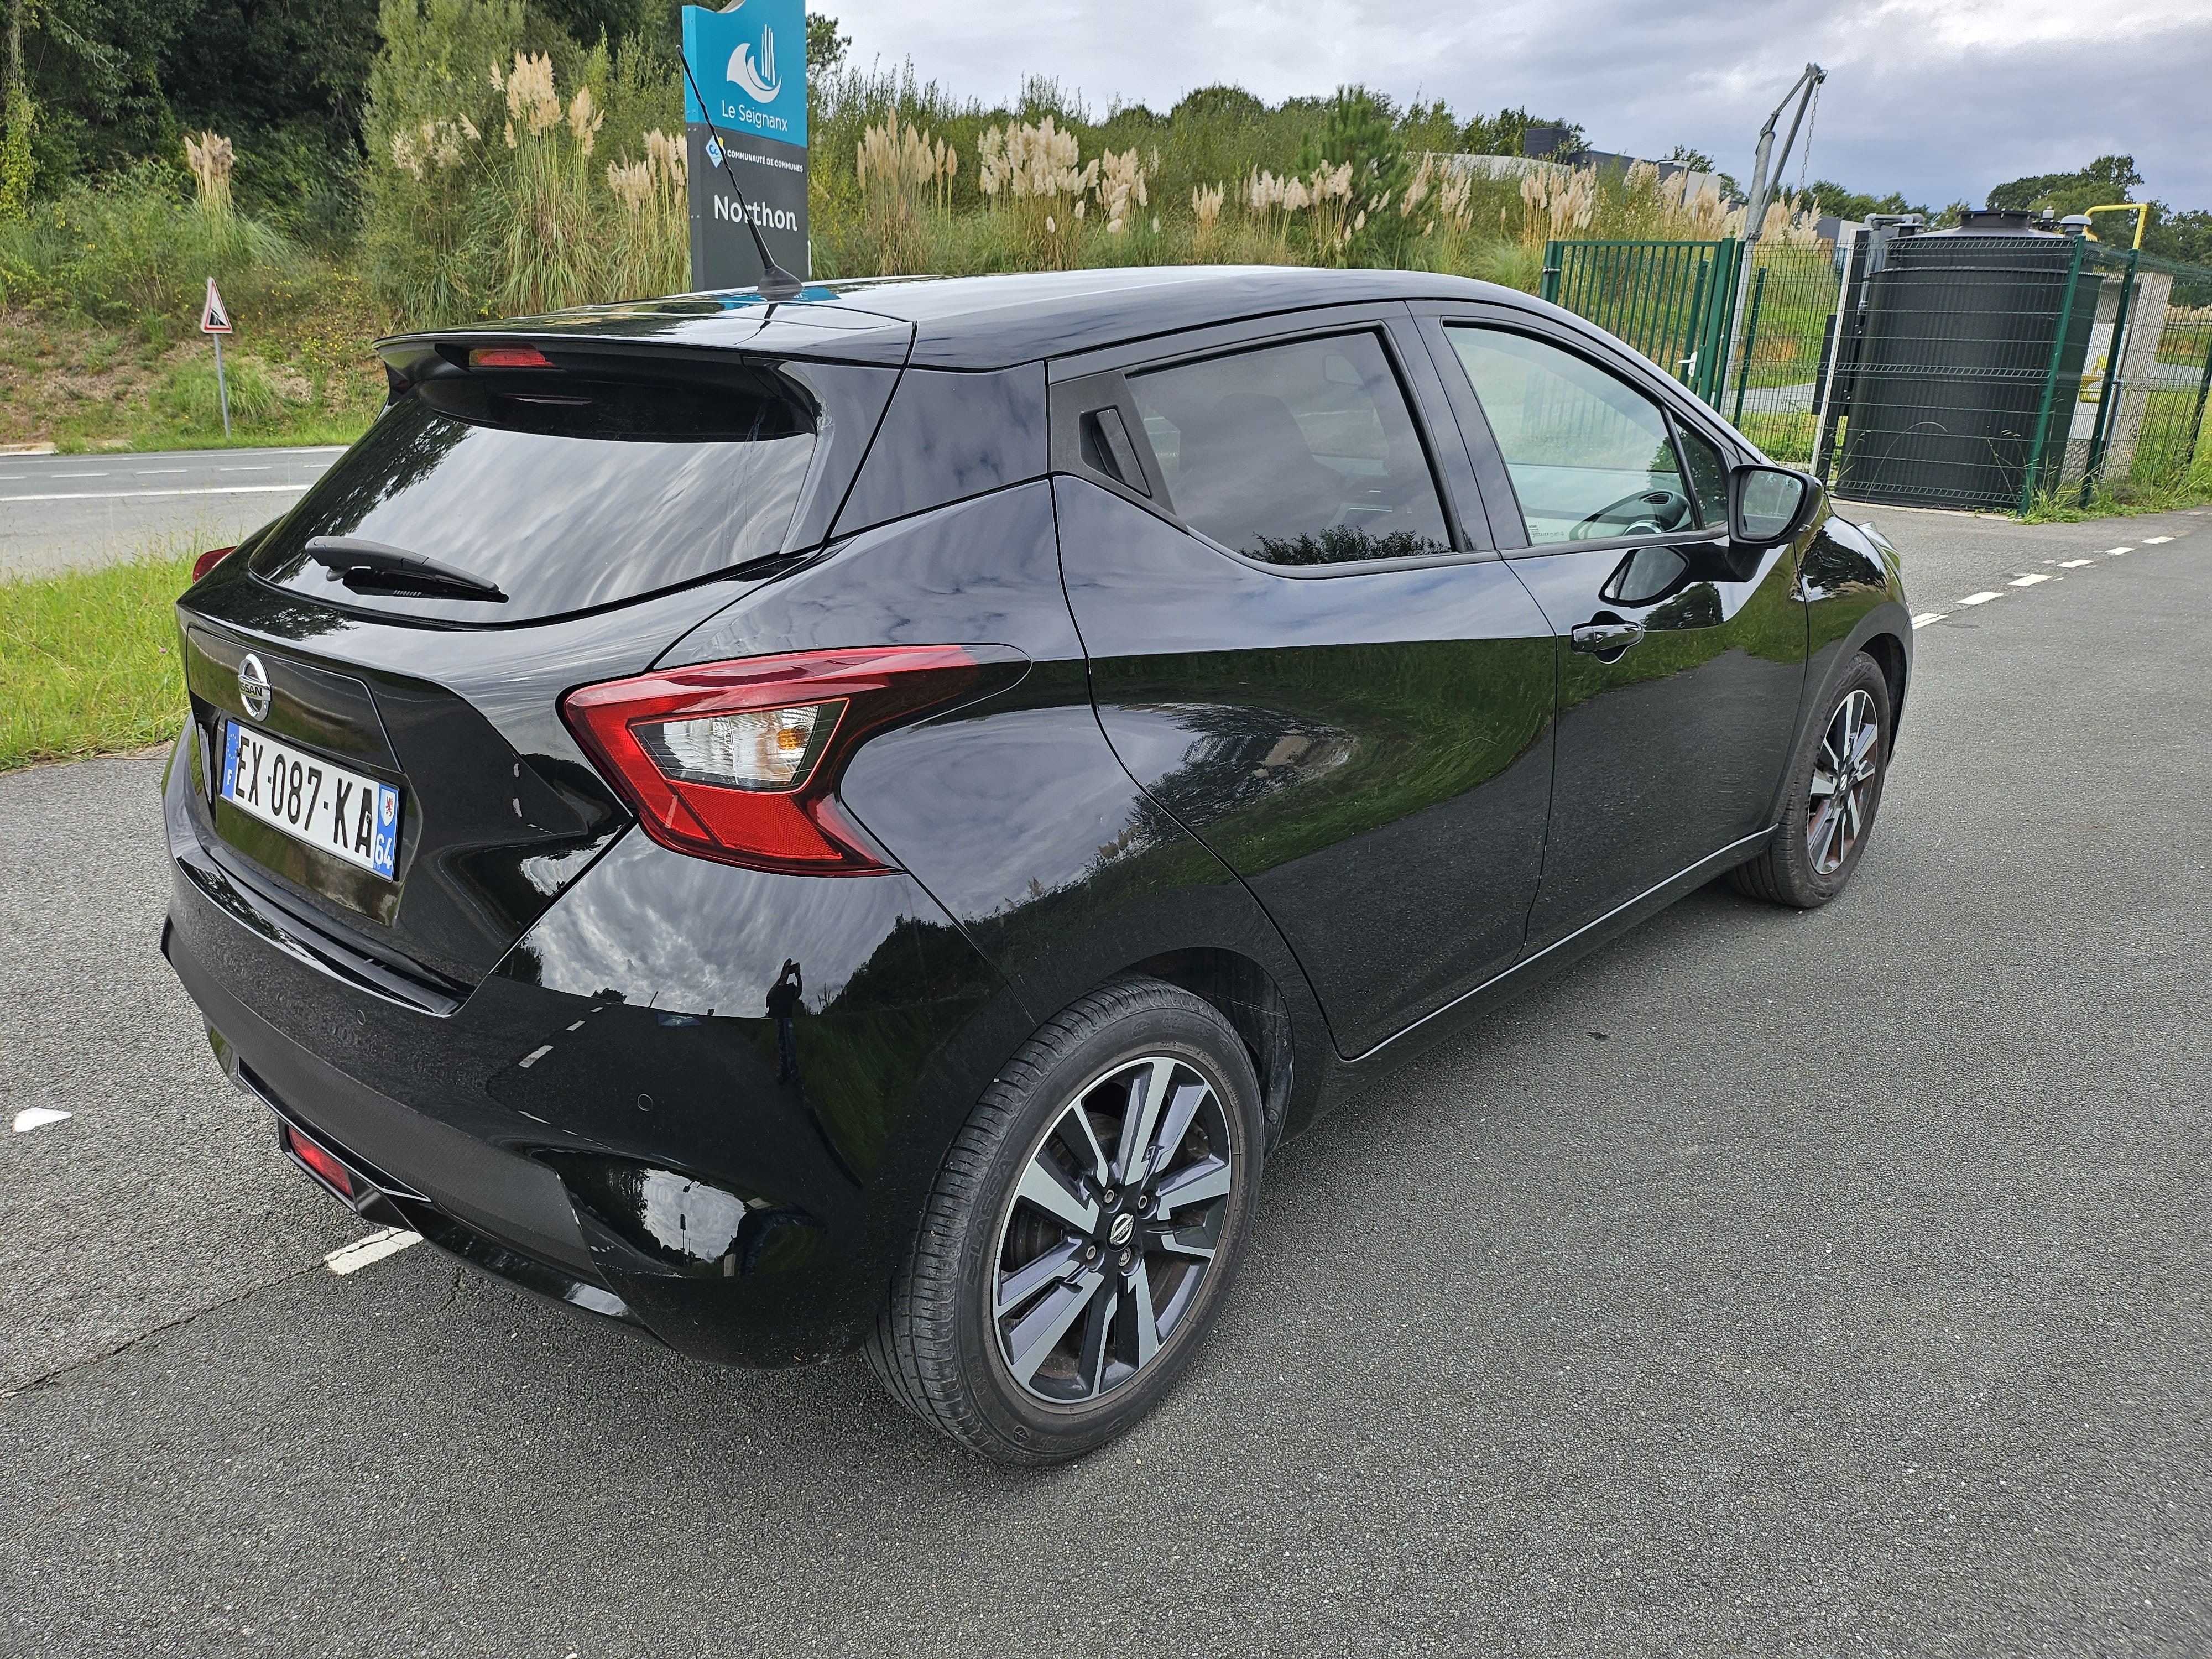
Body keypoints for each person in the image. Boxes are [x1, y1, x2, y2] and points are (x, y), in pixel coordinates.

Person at [765, 959, 802, 1083]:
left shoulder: (791, 987)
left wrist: (798, 977)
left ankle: (795, 1077)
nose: (787, 971)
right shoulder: (777, 988)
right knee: (782, 1045)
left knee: (790, 1047)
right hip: (778, 1019)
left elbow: (798, 994)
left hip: (788, 1018)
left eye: (789, 969)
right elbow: (769, 997)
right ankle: (784, 1072)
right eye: (786, 968)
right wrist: (780, 979)